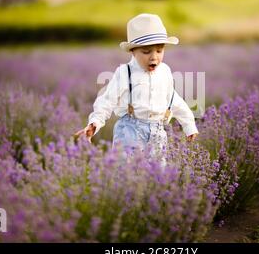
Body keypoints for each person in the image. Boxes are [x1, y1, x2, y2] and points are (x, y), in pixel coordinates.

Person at [74, 13, 198, 157]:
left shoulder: (165, 71)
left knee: (157, 174)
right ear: (133, 51)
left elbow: (173, 100)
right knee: (127, 171)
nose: (154, 57)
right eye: (146, 52)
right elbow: (107, 100)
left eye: (159, 51)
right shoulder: (125, 73)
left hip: (157, 132)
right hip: (130, 131)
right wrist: (94, 123)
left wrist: (189, 125)